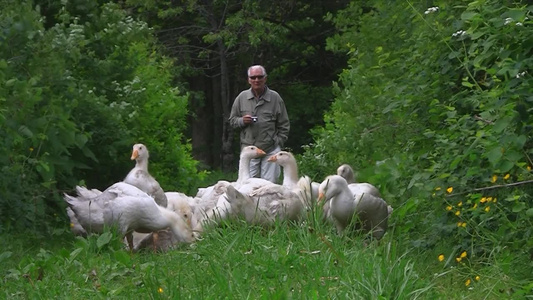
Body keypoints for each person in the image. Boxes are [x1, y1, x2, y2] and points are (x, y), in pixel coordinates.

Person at [229, 65, 290, 183]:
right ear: (248, 80)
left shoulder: (275, 98)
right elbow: (232, 120)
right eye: (253, 77)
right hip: (249, 151)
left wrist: (278, 141)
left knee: (269, 186)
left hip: (270, 149)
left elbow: (284, 124)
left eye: (259, 77)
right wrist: (242, 121)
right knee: (248, 186)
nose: (256, 80)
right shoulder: (242, 97)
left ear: (265, 78)